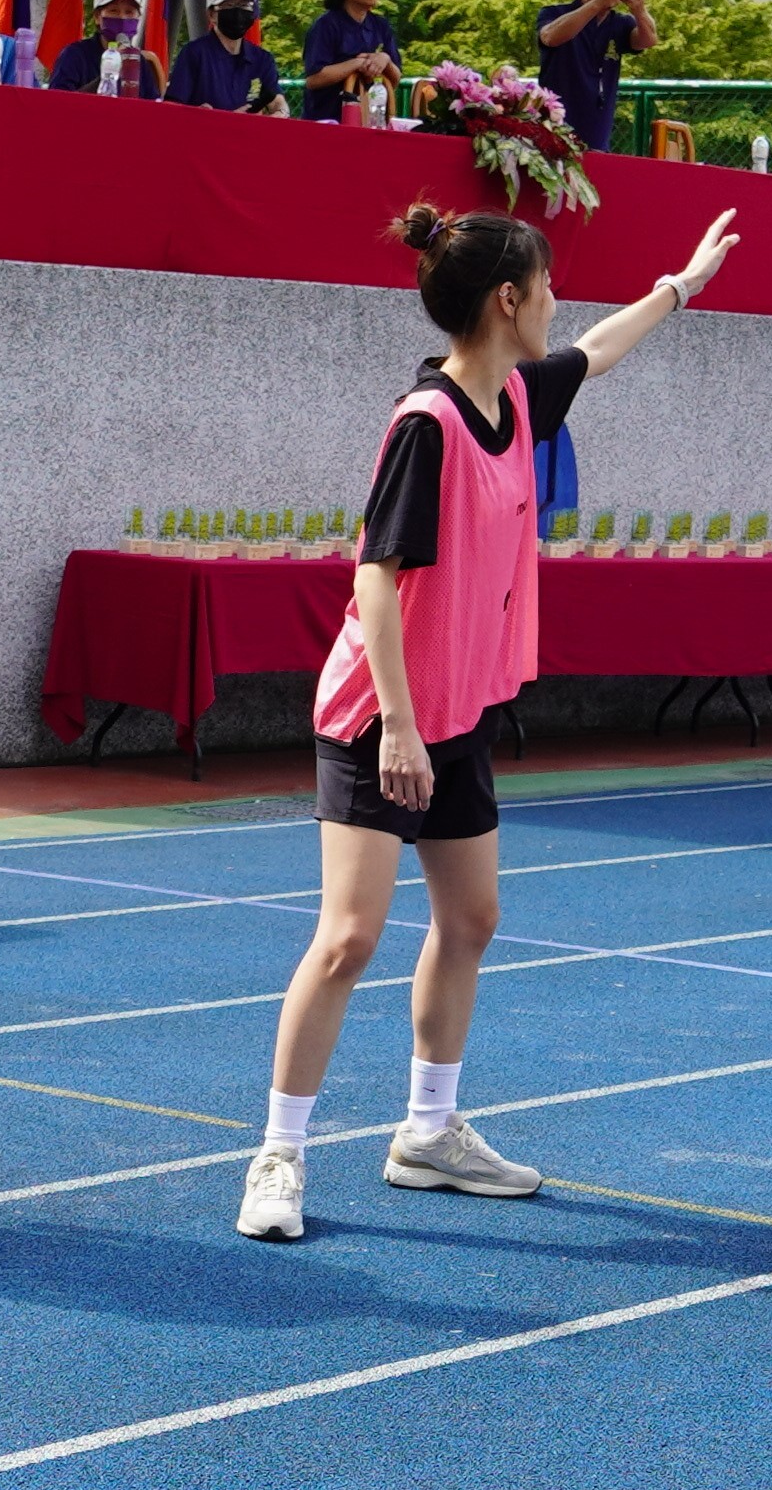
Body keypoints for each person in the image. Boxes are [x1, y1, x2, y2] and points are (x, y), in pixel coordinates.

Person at [236, 197, 746, 1242]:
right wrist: (398, 722)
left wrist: (682, 284)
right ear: (507, 299)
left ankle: (427, 1131)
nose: (561, 303)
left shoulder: (515, 396)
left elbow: (597, 351)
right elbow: (374, 579)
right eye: (549, 286)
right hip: (380, 715)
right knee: (348, 936)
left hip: (457, 708)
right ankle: (278, 1153)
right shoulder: (425, 425)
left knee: (471, 920)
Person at [535, 0, 656, 151]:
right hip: (553, 130)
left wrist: (639, 9)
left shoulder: (621, 23)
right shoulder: (555, 12)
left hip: (597, 135)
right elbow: (550, 37)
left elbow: (648, 40)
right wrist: (598, 3)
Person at [302, 0, 404, 124]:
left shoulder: (381, 25)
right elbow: (313, 79)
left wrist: (384, 59)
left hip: (370, 122)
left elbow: (395, 79)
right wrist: (357, 64)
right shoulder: (326, 25)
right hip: (327, 123)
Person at [165, 0, 282, 113]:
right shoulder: (194, 53)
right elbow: (172, 108)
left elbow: (276, 99)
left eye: (244, 5)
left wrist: (281, 112)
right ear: (211, 14)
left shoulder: (262, 59)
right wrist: (200, 114)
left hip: (250, 133)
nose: (238, 12)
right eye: (229, 5)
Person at [50, 0, 164, 99]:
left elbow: (153, 106)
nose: (122, 18)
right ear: (97, 17)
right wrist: (109, 75)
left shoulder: (138, 61)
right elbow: (56, 103)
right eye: (114, 11)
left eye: (129, 12)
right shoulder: (74, 54)